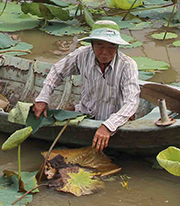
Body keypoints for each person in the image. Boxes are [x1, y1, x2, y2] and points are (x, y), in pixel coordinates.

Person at [32, 20, 139, 151]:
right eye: (100, 46)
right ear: (92, 44)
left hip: (115, 119)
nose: (105, 52)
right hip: (85, 112)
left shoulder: (127, 65)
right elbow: (57, 71)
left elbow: (132, 102)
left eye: (111, 46)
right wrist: (43, 98)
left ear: (117, 46)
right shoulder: (82, 55)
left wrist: (108, 126)